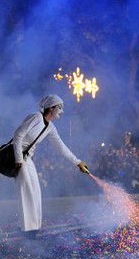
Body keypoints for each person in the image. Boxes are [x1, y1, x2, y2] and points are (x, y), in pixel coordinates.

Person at [12, 94, 89, 238]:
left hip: (27, 158)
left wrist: (77, 162)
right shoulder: (35, 117)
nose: (61, 111)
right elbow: (18, 135)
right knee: (26, 190)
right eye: (60, 108)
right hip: (17, 156)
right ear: (51, 108)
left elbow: (61, 146)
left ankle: (33, 227)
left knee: (35, 190)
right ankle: (27, 230)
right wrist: (18, 159)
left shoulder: (50, 127)